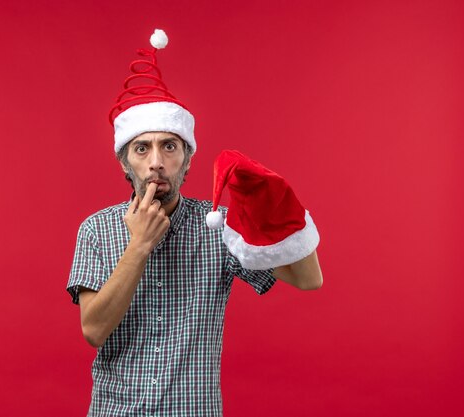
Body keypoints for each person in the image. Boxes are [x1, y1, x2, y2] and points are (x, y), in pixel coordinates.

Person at [67, 29, 323, 417]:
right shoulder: (96, 230)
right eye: (142, 148)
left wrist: (274, 204)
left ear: (187, 158)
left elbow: (309, 279)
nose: (156, 161)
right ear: (124, 161)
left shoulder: (216, 229)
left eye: (169, 146)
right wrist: (138, 246)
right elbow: (94, 330)